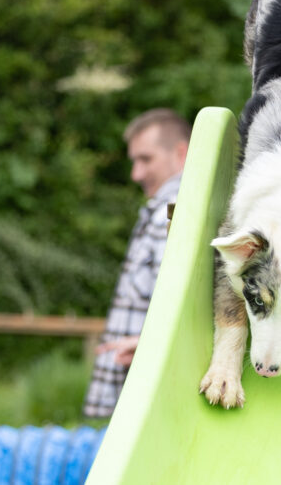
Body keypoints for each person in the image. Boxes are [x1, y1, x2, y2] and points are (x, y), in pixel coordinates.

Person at [83, 108, 191, 418]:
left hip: (151, 394)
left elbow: (189, 298)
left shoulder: (173, 212)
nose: (136, 174)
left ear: (180, 153)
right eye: (134, 161)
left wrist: (149, 344)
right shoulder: (161, 209)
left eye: (146, 159)